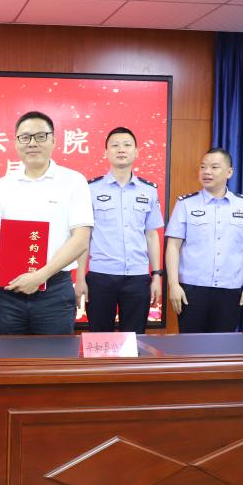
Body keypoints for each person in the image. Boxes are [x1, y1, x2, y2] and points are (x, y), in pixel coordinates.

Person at [0, 111, 93, 335]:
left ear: (54, 140)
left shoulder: (73, 181)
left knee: (53, 355)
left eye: (40, 136)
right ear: (15, 143)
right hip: (8, 292)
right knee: (7, 354)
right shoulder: (4, 185)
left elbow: (80, 239)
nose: (32, 143)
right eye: (25, 137)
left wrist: (40, 276)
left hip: (53, 291)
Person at [165, 147, 243, 333]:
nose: (207, 172)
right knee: (190, 345)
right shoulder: (185, 204)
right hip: (192, 290)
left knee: (223, 346)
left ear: (229, 172)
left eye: (214, 167)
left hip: (230, 290)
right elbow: (172, 246)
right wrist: (174, 285)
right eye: (203, 167)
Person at [76, 127, 164, 334]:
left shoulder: (149, 191)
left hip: (138, 277)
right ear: (106, 152)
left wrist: (156, 276)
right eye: (115, 145)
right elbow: (83, 237)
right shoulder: (90, 189)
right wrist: (80, 277)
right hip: (101, 276)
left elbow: (151, 235)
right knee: (99, 337)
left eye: (127, 145)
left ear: (136, 152)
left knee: (134, 339)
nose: (121, 149)